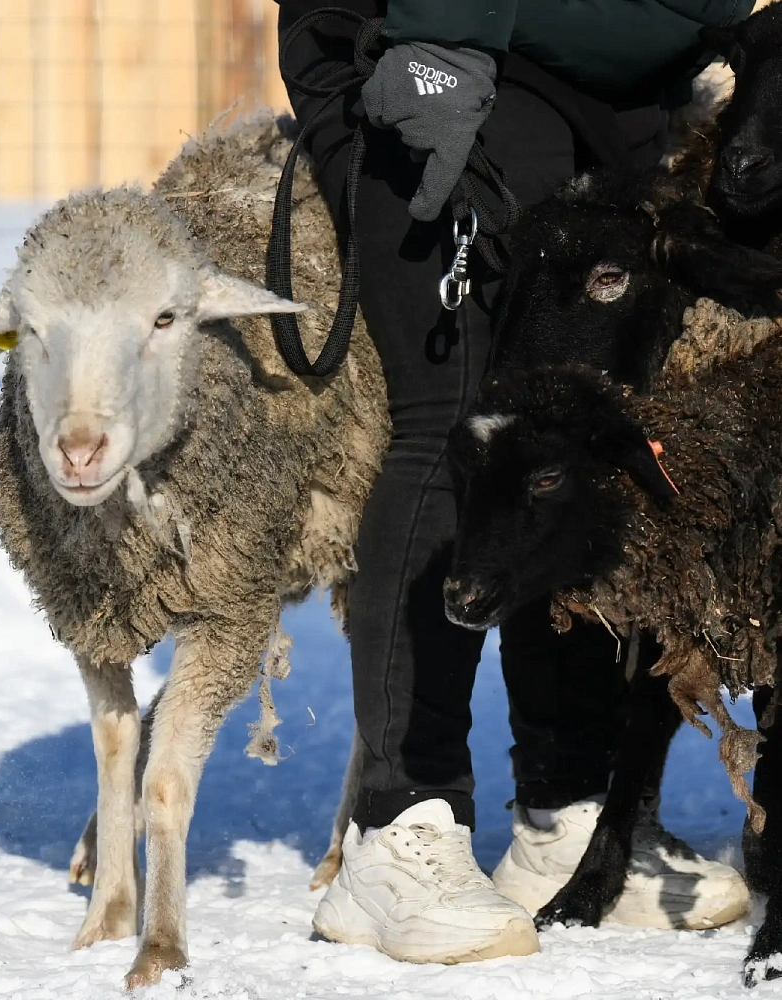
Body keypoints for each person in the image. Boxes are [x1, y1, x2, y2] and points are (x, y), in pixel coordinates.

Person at [278, 0, 755, 964]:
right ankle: (399, 824)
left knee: (568, 439)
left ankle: (563, 808)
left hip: (602, 108)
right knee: (451, 421)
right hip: (421, 77)